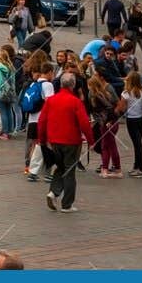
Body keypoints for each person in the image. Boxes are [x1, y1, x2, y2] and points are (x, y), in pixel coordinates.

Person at [39, 72, 93, 213]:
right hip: (72, 141)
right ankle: (67, 204)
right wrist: (91, 140)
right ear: (73, 85)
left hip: (54, 141)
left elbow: (42, 121)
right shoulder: (75, 101)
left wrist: (42, 139)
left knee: (61, 167)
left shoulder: (50, 100)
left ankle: (53, 192)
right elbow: (84, 123)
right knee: (69, 171)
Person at [87, 72, 122, 179]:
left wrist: (108, 120)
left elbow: (109, 108)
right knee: (111, 146)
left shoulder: (98, 95)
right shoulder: (104, 93)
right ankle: (116, 169)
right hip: (110, 122)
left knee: (105, 147)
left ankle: (106, 169)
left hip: (107, 123)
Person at [121, 71, 142, 177]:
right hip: (141, 120)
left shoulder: (126, 93)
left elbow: (122, 108)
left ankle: (141, 169)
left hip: (131, 120)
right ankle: (136, 166)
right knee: (138, 143)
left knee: (137, 145)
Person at [124, 3, 142, 70]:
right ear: (135, 8)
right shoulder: (131, 16)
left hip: (140, 36)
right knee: (132, 52)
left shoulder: (140, 14)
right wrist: (137, 28)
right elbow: (129, 26)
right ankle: (129, 65)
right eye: (139, 7)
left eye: (140, 7)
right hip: (134, 36)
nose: (140, 8)